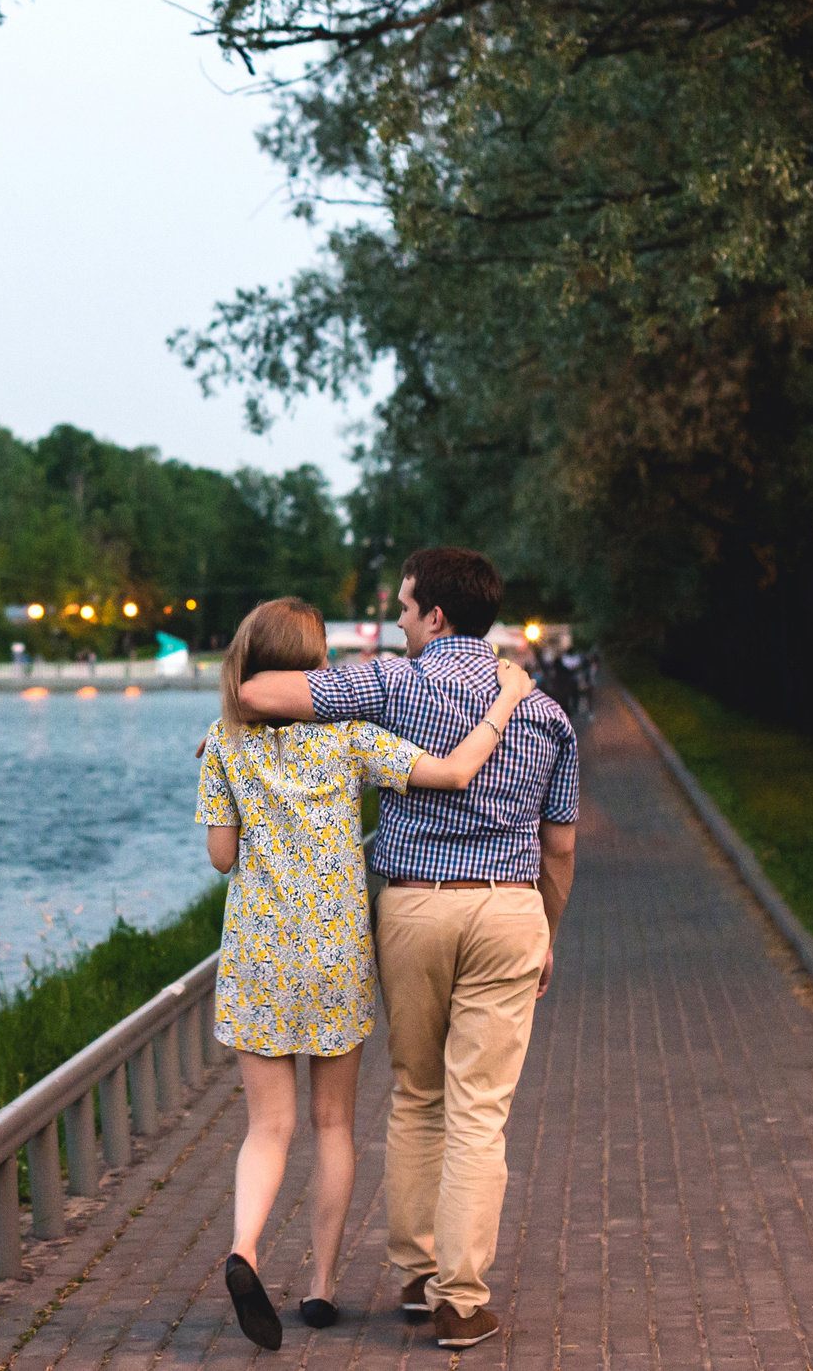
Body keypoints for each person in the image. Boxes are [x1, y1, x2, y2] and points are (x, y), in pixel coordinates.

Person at [236, 548, 579, 1352]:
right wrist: (546, 934)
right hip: (509, 911)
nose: (394, 617)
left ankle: (418, 1276)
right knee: (479, 1111)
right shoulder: (545, 711)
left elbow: (257, 690)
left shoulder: (392, 682)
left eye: (403, 605)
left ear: (436, 617)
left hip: (413, 911)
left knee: (417, 1093)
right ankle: (463, 1299)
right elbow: (559, 846)